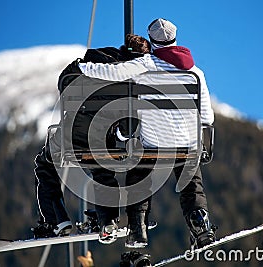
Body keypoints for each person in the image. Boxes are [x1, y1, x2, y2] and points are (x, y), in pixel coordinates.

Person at [78, 18, 216, 249]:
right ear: (174, 38)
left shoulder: (145, 64)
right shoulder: (195, 73)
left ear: (151, 40)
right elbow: (207, 118)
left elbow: (111, 73)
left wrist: (82, 66)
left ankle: (138, 232)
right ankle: (200, 228)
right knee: (192, 182)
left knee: (138, 176)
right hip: (187, 144)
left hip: (154, 144)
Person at [31, 34, 152, 239]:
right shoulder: (132, 80)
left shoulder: (93, 61)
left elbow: (64, 86)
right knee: (102, 170)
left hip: (72, 131)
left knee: (46, 165)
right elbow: (129, 123)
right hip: (102, 138)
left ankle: (56, 220)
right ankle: (108, 220)